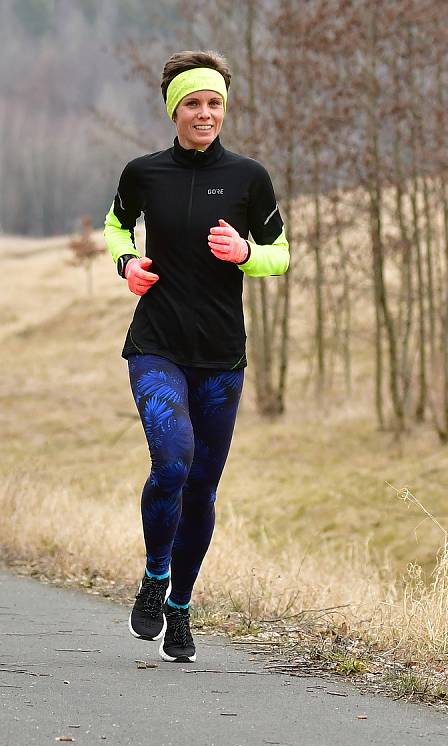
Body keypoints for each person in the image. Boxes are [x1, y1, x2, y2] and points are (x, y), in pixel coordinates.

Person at [103, 50, 289, 663]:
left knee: (203, 488)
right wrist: (127, 264)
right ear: (173, 109)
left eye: (214, 103)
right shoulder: (142, 173)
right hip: (156, 345)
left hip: (220, 356)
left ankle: (181, 606)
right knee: (174, 462)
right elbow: (116, 228)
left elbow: (280, 253)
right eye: (193, 103)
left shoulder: (248, 177)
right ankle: (156, 575)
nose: (204, 113)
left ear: (224, 108)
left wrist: (245, 253)